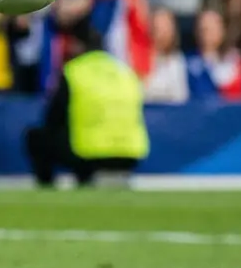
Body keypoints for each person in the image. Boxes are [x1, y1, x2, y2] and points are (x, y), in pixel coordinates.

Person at [25, 20, 150, 188]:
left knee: (36, 137)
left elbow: (53, 118)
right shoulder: (125, 71)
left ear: (77, 45)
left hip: (90, 155)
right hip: (130, 155)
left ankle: (49, 187)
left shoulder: (74, 71)